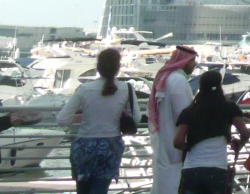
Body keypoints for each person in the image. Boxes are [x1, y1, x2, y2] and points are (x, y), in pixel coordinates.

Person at [57, 48, 139, 194]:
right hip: (110, 144)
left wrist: (82, 118)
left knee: (83, 190)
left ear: (98, 67)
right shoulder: (126, 88)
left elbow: (62, 119)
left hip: (84, 143)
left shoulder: (84, 89)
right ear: (118, 68)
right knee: (100, 189)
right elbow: (137, 118)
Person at [174, 70, 250, 194]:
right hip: (217, 170)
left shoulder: (190, 111)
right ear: (219, 85)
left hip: (192, 169)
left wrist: (189, 147)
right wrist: (240, 144)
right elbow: (245, 133)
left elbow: (177, 142)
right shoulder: (229, 108)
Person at [149, 45, 198, 194]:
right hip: (176, 141)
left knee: (163, 178)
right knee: (173, 181)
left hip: (164, 138)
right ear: (185, 61)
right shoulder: (178, 81)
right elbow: (184, 114)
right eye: (193, 60)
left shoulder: (169, 78)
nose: (195, 64)